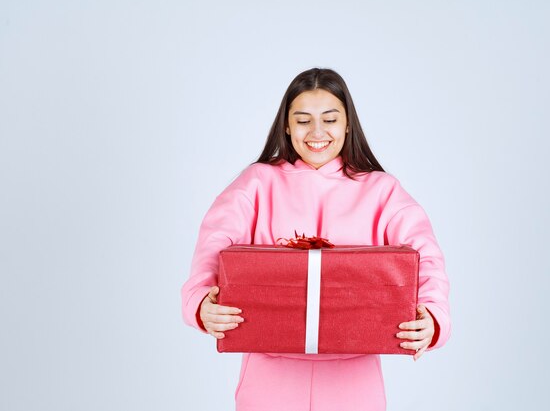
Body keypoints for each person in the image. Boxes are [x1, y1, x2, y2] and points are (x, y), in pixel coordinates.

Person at [181, 67, 451, 411]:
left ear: (348, 124)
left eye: (330, 119)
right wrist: (202, 304)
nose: (317, 131)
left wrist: (434, 317)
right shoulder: (256, 184)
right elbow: (211, 250)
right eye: (303, 119)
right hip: (269, 375)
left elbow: (425, 255)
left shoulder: (381, 190)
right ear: (287, 126)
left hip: (354, 379)